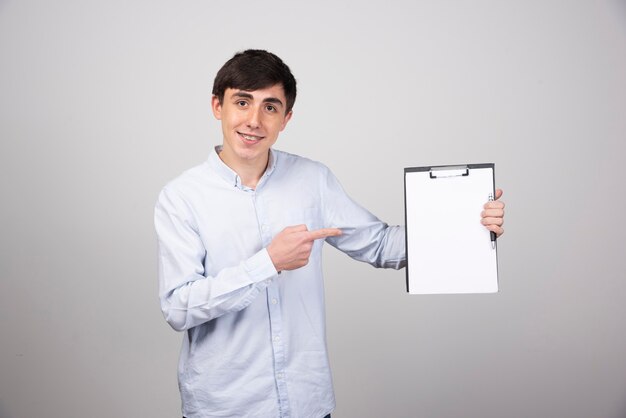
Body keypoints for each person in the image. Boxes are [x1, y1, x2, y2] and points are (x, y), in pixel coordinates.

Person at [154, 49, 505, 418]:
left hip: (307, 403)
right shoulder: (181, 198)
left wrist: (468, 225)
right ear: (217, 106)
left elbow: (381, 245)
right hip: (225, 407)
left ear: (286, 118)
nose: (254, 120)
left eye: (270, 107)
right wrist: (268, 263)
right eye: (242, 102)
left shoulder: (312, 180)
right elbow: (178, 307)